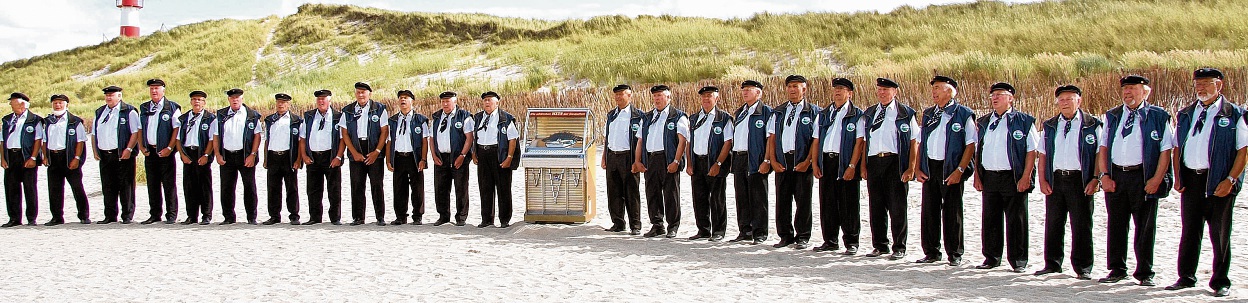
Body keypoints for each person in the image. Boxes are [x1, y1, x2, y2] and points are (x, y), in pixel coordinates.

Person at [1165, 68, 1243, 297]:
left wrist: (1231, 179)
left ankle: (1220, 281)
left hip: (1218, 180)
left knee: (1219, 233)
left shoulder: (1234, 114)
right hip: (1192, 179)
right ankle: (1186, 276)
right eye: (1198, 84)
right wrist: (1178, 176)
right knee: (1190, 231)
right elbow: (1178, 146)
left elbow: (1243, 150)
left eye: (1206, 83)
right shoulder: (1187, 113)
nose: (1201, 88)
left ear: (1219, 85)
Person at [1096, 74, 1173, 287]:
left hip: (1143, 176)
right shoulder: (1112, 116)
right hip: (1117, 176)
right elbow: (1103, 148)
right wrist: (1104, 176)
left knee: (1145, 226)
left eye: (1132, 89)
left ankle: (1145, 272)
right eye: (1125, 89)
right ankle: (1117, 268)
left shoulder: (1158, 116)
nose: (1127, 93)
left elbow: (1165, 151)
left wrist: (1157, 179)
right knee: (1116, 224)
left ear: (1145, 91)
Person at [1034, 85, 1102, 280]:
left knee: (1081, 224)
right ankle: (1052, 263)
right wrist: (1042, 179)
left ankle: (1083, 267)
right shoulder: (1050, 125)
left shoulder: (1092, 124)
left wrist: (1096, 178)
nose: (1064, 103)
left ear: (1078, 101)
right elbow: (1043, 154)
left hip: (1080, 180)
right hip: (1056, 179)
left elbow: (1099, 153)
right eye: (1061, 100)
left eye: (1069, 99)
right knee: (1053, 222)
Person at [972, 82, 1038, 273]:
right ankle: (991, 257)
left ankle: (1018, 260)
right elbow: (979, 149)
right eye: (993, 95)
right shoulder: (984, 122)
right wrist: (978, 174)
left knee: (1016, 219)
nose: (995, 98)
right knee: (990, 219)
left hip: (1013, 176)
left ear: (1010, 98)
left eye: (999, 95)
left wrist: (1026, 176)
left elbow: (1031, 151)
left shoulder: (1024, 121)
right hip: (990, 176)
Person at [915, 76, 977, 266]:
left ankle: (955, 253)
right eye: (933, 88)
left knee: (952, 211)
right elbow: (921, 142)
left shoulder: (963, 114)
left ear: (950, 91)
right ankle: (932, 251)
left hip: (950, 167)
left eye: (938, 88)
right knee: (929, 210)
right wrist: (918, 167)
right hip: (930, 166)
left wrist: (960, 169)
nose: (934, 91)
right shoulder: (928, 114)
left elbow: (970, 144)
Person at [861, 78, 919, 260]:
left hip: (895, 162)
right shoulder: (870, 113)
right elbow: (864, 142)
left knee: (897, 206)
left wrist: (911, 167)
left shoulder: (905, 113)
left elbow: (914, 142)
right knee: (876, 206)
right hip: (874, 162)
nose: (882, 93)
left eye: (886, 90)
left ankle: (899, 246)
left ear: (895, 92)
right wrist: (863, 166)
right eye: (879, 90)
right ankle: (880, 245)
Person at [810, 78, 865, 254]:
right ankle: (830, 240)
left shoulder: (857, 115)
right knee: (827, 202)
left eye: (842, 89)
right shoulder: (824, 114)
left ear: (850, 93)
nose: (837, 92)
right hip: (827, 161)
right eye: (836, 89)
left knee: (849, 202)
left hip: (845, 162)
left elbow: (859, 142)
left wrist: (852, 165)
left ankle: (851, 241)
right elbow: (816, 140)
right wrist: (815, 163)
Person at [767, 75, 820, 249]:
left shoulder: (813, 112)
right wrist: (772, 160)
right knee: (782, 199)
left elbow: (816, 140)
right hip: (783, 160)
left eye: (795, 86)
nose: (791, 89)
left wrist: (808, 161)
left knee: (803, 199)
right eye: (789, 86)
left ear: (804, 89)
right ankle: (785, 235)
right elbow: (772, 137)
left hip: (802, 160)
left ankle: (803, 235)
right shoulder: (779, 112)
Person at [633, 85, 689, 238]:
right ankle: (657, 225)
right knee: (652, 193)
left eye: (660, 96)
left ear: (668, 97)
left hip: (668, 158)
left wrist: (676, 161)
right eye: (655, 96)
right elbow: (640, 140)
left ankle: (673, 226)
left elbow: (682, 141)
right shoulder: (647, 117)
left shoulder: (677, 116)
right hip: (651, 158)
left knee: (671, 193)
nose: (657, 99)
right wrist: (637, 161)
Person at [684, 86, 733, 241]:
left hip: (714, 162)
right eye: (703, 96)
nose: (706, 99)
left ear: (716, 98)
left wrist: (718, 163)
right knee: (699, 197)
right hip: (698, 162)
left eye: (709, 96)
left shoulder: (723, 118)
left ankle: (718, 231)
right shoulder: (693, 118)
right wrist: (689, 163)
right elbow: (688, 142)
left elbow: (728, 143)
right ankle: (703, 229)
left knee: (717, 198)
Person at [729, 80, 773, 245]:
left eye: (749, 90)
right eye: (744, 90)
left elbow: (770, 139)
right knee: (742, 196)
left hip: (756, 157)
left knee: (758, 197)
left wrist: (767, 160)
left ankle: (760, 232)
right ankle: (745, 230)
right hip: (739, 157)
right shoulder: (740, 112)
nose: (745, 93)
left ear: (759, 93)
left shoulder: (766, 112)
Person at [340, 82, 389, 226]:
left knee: (377, 185)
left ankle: (380, 217)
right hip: (356, 151)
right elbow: (344, 133)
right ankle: (358, 217)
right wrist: (354, 153)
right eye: (358, 92)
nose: (361, 95)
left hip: (374, 150)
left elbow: (384, 131)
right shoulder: (348, 110)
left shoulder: (379, 108)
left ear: (369, 93)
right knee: (357, 186)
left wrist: (377, 152)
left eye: (363, 92)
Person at [92, 86, 141, 224]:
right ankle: (110, 215)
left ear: (119, 96)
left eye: (111, 95)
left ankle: (127, 215)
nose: (108, 97)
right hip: (105, 155)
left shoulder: (129, 111)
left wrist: (129, 149)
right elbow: (94, 133)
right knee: (108, 186)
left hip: (122, 154)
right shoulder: (100, 111)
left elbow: (135, 132)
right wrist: (95, 151)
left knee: (126, 185)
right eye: (107, 95)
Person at [472, 91, 520, 228]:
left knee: (503, 188)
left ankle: (504, 219)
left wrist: (509, 157)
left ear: (497, 102)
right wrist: (474, 152)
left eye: (490, 100)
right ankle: (486, 219)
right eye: (485, 100)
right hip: (483, 153)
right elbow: (475, 136)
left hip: (499, 154)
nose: (487, 103)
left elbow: (512, 140)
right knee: (485, 187)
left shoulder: (505, 118)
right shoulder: (478, 117)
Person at [215, 88, 263, 225]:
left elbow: (257, 136)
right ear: (229, 99)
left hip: (245, 156)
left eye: (237, 97)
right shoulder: (221, 115)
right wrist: (217, 154)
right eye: (232, 98)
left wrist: (252, 154)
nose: (235, 100)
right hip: (227, 156)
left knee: (249, 187)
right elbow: (216, 136)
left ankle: (251, 217)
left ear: (242, 98)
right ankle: (229, 217)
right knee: (226, 188)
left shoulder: (252, 115)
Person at [602, 85, 645, 236]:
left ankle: (635, 225)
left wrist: (638, 160)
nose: (618, 97)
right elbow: (607, 137)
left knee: (631, 192)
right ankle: (618, 222)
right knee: (613, 191)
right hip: (612, 155)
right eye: (616, 95)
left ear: (629, 96)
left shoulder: (637, 116)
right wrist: (604, 157)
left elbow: (641, 140)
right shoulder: (611, 115)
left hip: (628, 156)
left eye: (621, 94)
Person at [137, 78, 182, 224]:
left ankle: (171, 215)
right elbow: (139, 128)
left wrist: (170, 147)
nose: (154, 91)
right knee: (152, 184)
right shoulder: (144, 108)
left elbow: (176, 129)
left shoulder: (172, 107)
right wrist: (141, 146)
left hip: (165, 152)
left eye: (157, 88)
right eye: (151, 89)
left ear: (163, 90)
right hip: (150, 151)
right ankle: (155, 214)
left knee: (169, 184)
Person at [42, 94, 90, 225]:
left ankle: (84, 215)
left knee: (77, 187)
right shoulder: (47, 122)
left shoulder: (74, 121)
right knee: (54, 189)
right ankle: (57, 217)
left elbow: (80, 141)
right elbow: (44, 140)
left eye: (60, 103)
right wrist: (45, 156)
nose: (57, 105)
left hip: (69, 157)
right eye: (55, 103)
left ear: (66, 105)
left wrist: (77, 158)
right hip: (53, 157)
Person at [300, 89, 345, 225]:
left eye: (323, 99)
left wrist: (338, 156)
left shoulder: (338, 116)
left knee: (334, 189)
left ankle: (335, 218)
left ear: (329, 100)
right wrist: (304, 155)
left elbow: (343, 138)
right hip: (313, 157)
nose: (321, 101)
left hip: (330, 156)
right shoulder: (309, 116)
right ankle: (315, 217)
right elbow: (302, 138)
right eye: (319, 99)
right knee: (313, 190)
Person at [430, 91, 474, 226]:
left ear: (454, 102)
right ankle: (443, 216)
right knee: (441, 188)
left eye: (447, 101)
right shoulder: (437, 117)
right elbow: (432, 138)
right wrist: (433, 155)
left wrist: (462, 155)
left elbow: (469, 138)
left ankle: (461, 217)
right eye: (443, 101)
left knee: (461, 188)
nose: (445, 104)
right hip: (441, 157)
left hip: (458, 156)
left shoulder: (464, 116)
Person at [386, 90, 430, 225]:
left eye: (405, 98)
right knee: (399, 187)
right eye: (400, 98)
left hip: (414, 158)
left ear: (412, 101)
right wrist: (388, 160)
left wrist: (423, 159)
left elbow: (424, 141)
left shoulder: (420, 119)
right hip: (399, 157)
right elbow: (389, 141)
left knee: (417, 188)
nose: (402, 100)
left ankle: (417, 216)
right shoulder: (393, 120)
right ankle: (400, 216)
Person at [1, 93, 43, 227]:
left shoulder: (34, 119)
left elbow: (38, 140)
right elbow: (2, 141)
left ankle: (31, 218)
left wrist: (33, 157)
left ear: (21, 104)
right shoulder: (7, 120)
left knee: (30, 188)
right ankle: (14, 218)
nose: (10, 104)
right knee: (11, 188)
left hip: (26, 156)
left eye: (12, 102)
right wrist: (3, 158)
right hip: (11, 156)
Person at [262, 93, 303, 225]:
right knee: (273, 187)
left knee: (291, 187)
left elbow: (300, 142)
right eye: (279, 102)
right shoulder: (269, 120)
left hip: (288, 157)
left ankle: (294, 215)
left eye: (284, 102)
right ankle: (274, 215)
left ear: (288, 104)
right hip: (273, 156)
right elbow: (267, 140)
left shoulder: (296, 120)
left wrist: (298, 160)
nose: (281, 104)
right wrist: (265, 158)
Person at [176, 90, 216, 225]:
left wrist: (206, 155)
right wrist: (182, 155)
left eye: (199, 100)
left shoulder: (210, 118)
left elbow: (212, 139)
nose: (196, 102)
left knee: (204, 186)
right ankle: (191, 216)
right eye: (194, 99)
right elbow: (178, 138)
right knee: (189, 186)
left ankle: (206, 215)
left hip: (202, 153)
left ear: (204, 102)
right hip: (188, 153)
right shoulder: (183, 118)